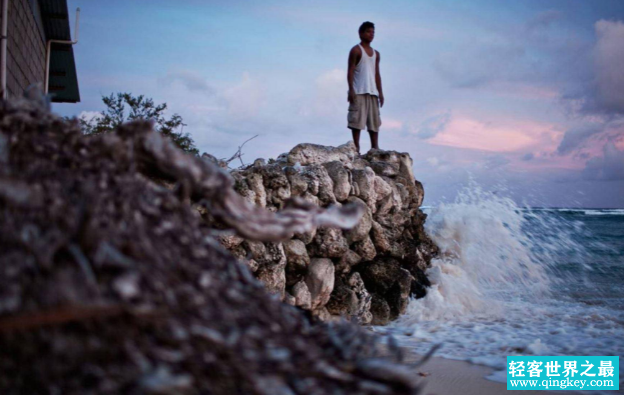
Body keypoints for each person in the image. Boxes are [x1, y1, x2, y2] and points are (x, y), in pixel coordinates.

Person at [347, 21, 384, 155]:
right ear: (361, 33)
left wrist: (380, 93)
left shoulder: (376, 54)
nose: (371, 34)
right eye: (368, 31)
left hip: (372, 92)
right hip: (359, 91)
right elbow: (350, 70)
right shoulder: (356, 50)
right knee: (356, 121)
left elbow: (377, 74)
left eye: (373, 32)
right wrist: (351, 89)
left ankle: (375, 148)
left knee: (374, 122)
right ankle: (356, 149)